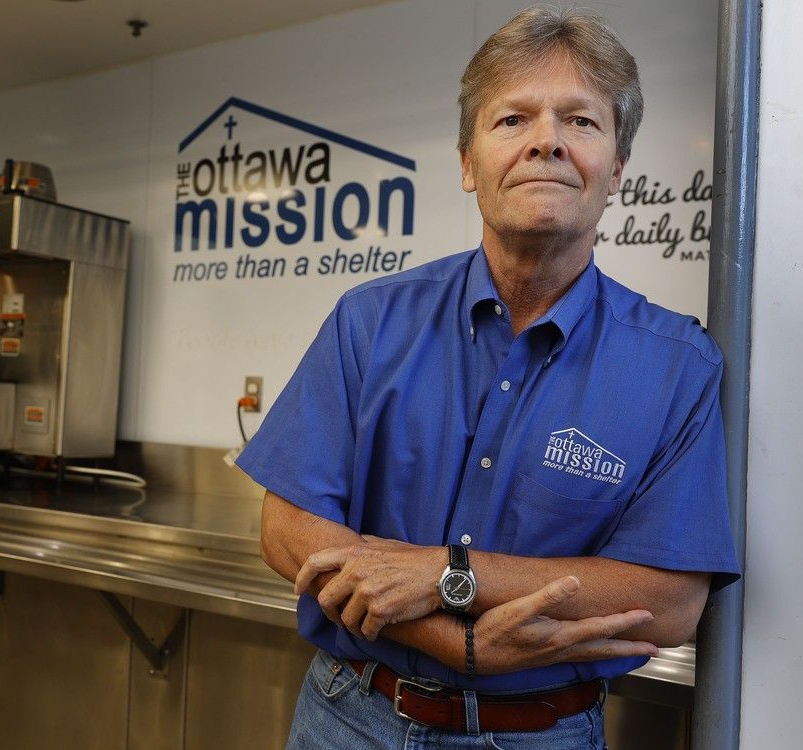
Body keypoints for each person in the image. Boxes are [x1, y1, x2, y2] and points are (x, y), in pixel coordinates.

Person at [236, 6, 740, 749]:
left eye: (581, 121)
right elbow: (284, 530)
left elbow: (666, 604)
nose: (547, 140)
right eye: (513, 119)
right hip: (349, 715)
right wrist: (456, 642)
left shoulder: (678, 366)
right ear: (469, 164)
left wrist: (447, 573)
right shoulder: (370, 321)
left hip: (544, 732)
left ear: (617, 171)